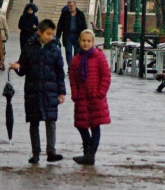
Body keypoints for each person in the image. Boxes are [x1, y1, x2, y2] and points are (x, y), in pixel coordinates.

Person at [10, 20, 66, 164]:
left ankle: (51, 151)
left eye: (52, 34)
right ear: (39, 32)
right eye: (48, 34)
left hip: (50, 91)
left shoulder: (55, 49)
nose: (50, 37)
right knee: (34, 122)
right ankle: (36, 153)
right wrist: (17, 67)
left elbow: (60, 72)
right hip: (33, 91)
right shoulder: (29, 47)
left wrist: (62, 92)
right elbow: (23, 69)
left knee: (51, 121)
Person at [69, 29, 111, 165]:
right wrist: (75, 94)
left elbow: (106, 76)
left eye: (88, 41)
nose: (85, 43)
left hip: (95, 98)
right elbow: (72, 79)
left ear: (92, 42)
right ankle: (87, 152)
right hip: (81, 98)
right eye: (83, 40)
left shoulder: (99, 57)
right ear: (79, 41)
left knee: (95, 126)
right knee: (81, 126)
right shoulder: (76, 60)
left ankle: (90, 155)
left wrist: (100, 92)